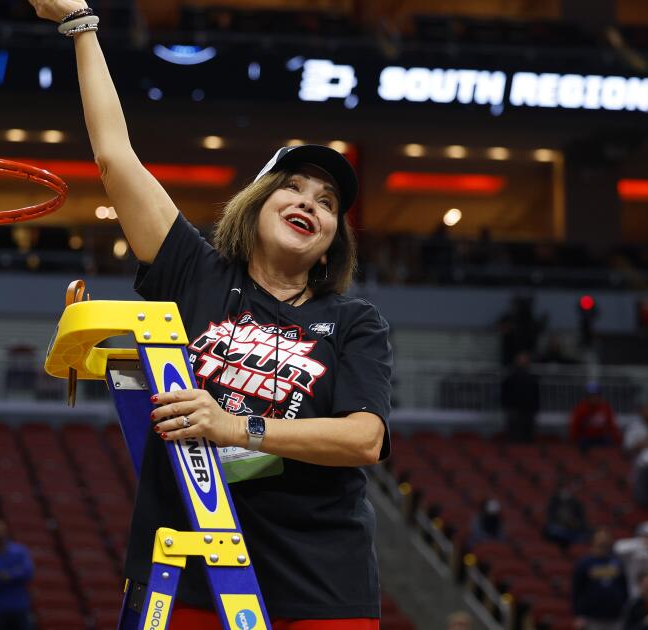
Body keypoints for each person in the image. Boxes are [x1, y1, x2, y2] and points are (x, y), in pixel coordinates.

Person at [29, 2, 393, 626]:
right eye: (294, 187)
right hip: (189, 566)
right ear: (256, 203)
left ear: (333, 238)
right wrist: (81, 25)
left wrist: (238, 428)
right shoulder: (196, 272)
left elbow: (365, 438)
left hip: (321, 581)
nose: (310, 203)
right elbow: (116, 160)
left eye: (328, 202)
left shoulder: (355, 320)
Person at [0, 519, 33, 630]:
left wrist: (7, 576)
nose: (0, 533)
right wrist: (14, 576)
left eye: (2, 530)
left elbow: (27, 573)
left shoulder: (19, 551)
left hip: (19, 607)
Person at [572, 527, 629, 630]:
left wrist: (623, 606)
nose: (603, 541)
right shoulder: (584, 564)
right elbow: (576, 590)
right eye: (600, 538)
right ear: (594, 541)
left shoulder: (617, 563)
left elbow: (624, 587)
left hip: (615, 617)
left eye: (606, 538)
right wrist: (578, 615)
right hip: (592, 618)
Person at [615, 522, 648, 597]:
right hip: (626, 589)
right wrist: (640, 543)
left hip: (647, 593)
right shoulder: (633, 549)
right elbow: (618, 548)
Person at [501, 350, 541, 443]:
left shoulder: (532, 378)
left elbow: (536, 394)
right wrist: (506, 406)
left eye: (524, 359)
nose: (523, 361)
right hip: (514, 409)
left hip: (528, 410)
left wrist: (535, 407)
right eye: (521, 359)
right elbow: (505, 393)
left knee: (527, 436)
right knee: (514, 435)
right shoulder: (510, 377)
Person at [570, 382, 621, 453]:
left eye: (596, 395)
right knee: (582, 447)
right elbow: (574, 427)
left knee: (610, 446)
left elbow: (612, 426)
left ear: (599, 396)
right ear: (587, 396)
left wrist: (618, 440)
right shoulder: (580, 408)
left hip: (601, 437)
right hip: (586, 437)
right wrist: (573, 441)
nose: (593, 398)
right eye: (591, 395)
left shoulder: (605, 408)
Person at [544, 478, 590, 549]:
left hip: (572, 530)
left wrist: (575, 524)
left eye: (566, 486)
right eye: (562, 486)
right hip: (558, 529)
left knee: (588, 535)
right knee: (551, 530)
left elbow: (582, 521)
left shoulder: (576, 503)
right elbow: (550, 519)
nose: (565, 489)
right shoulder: (554, 501)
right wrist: (563, 524)